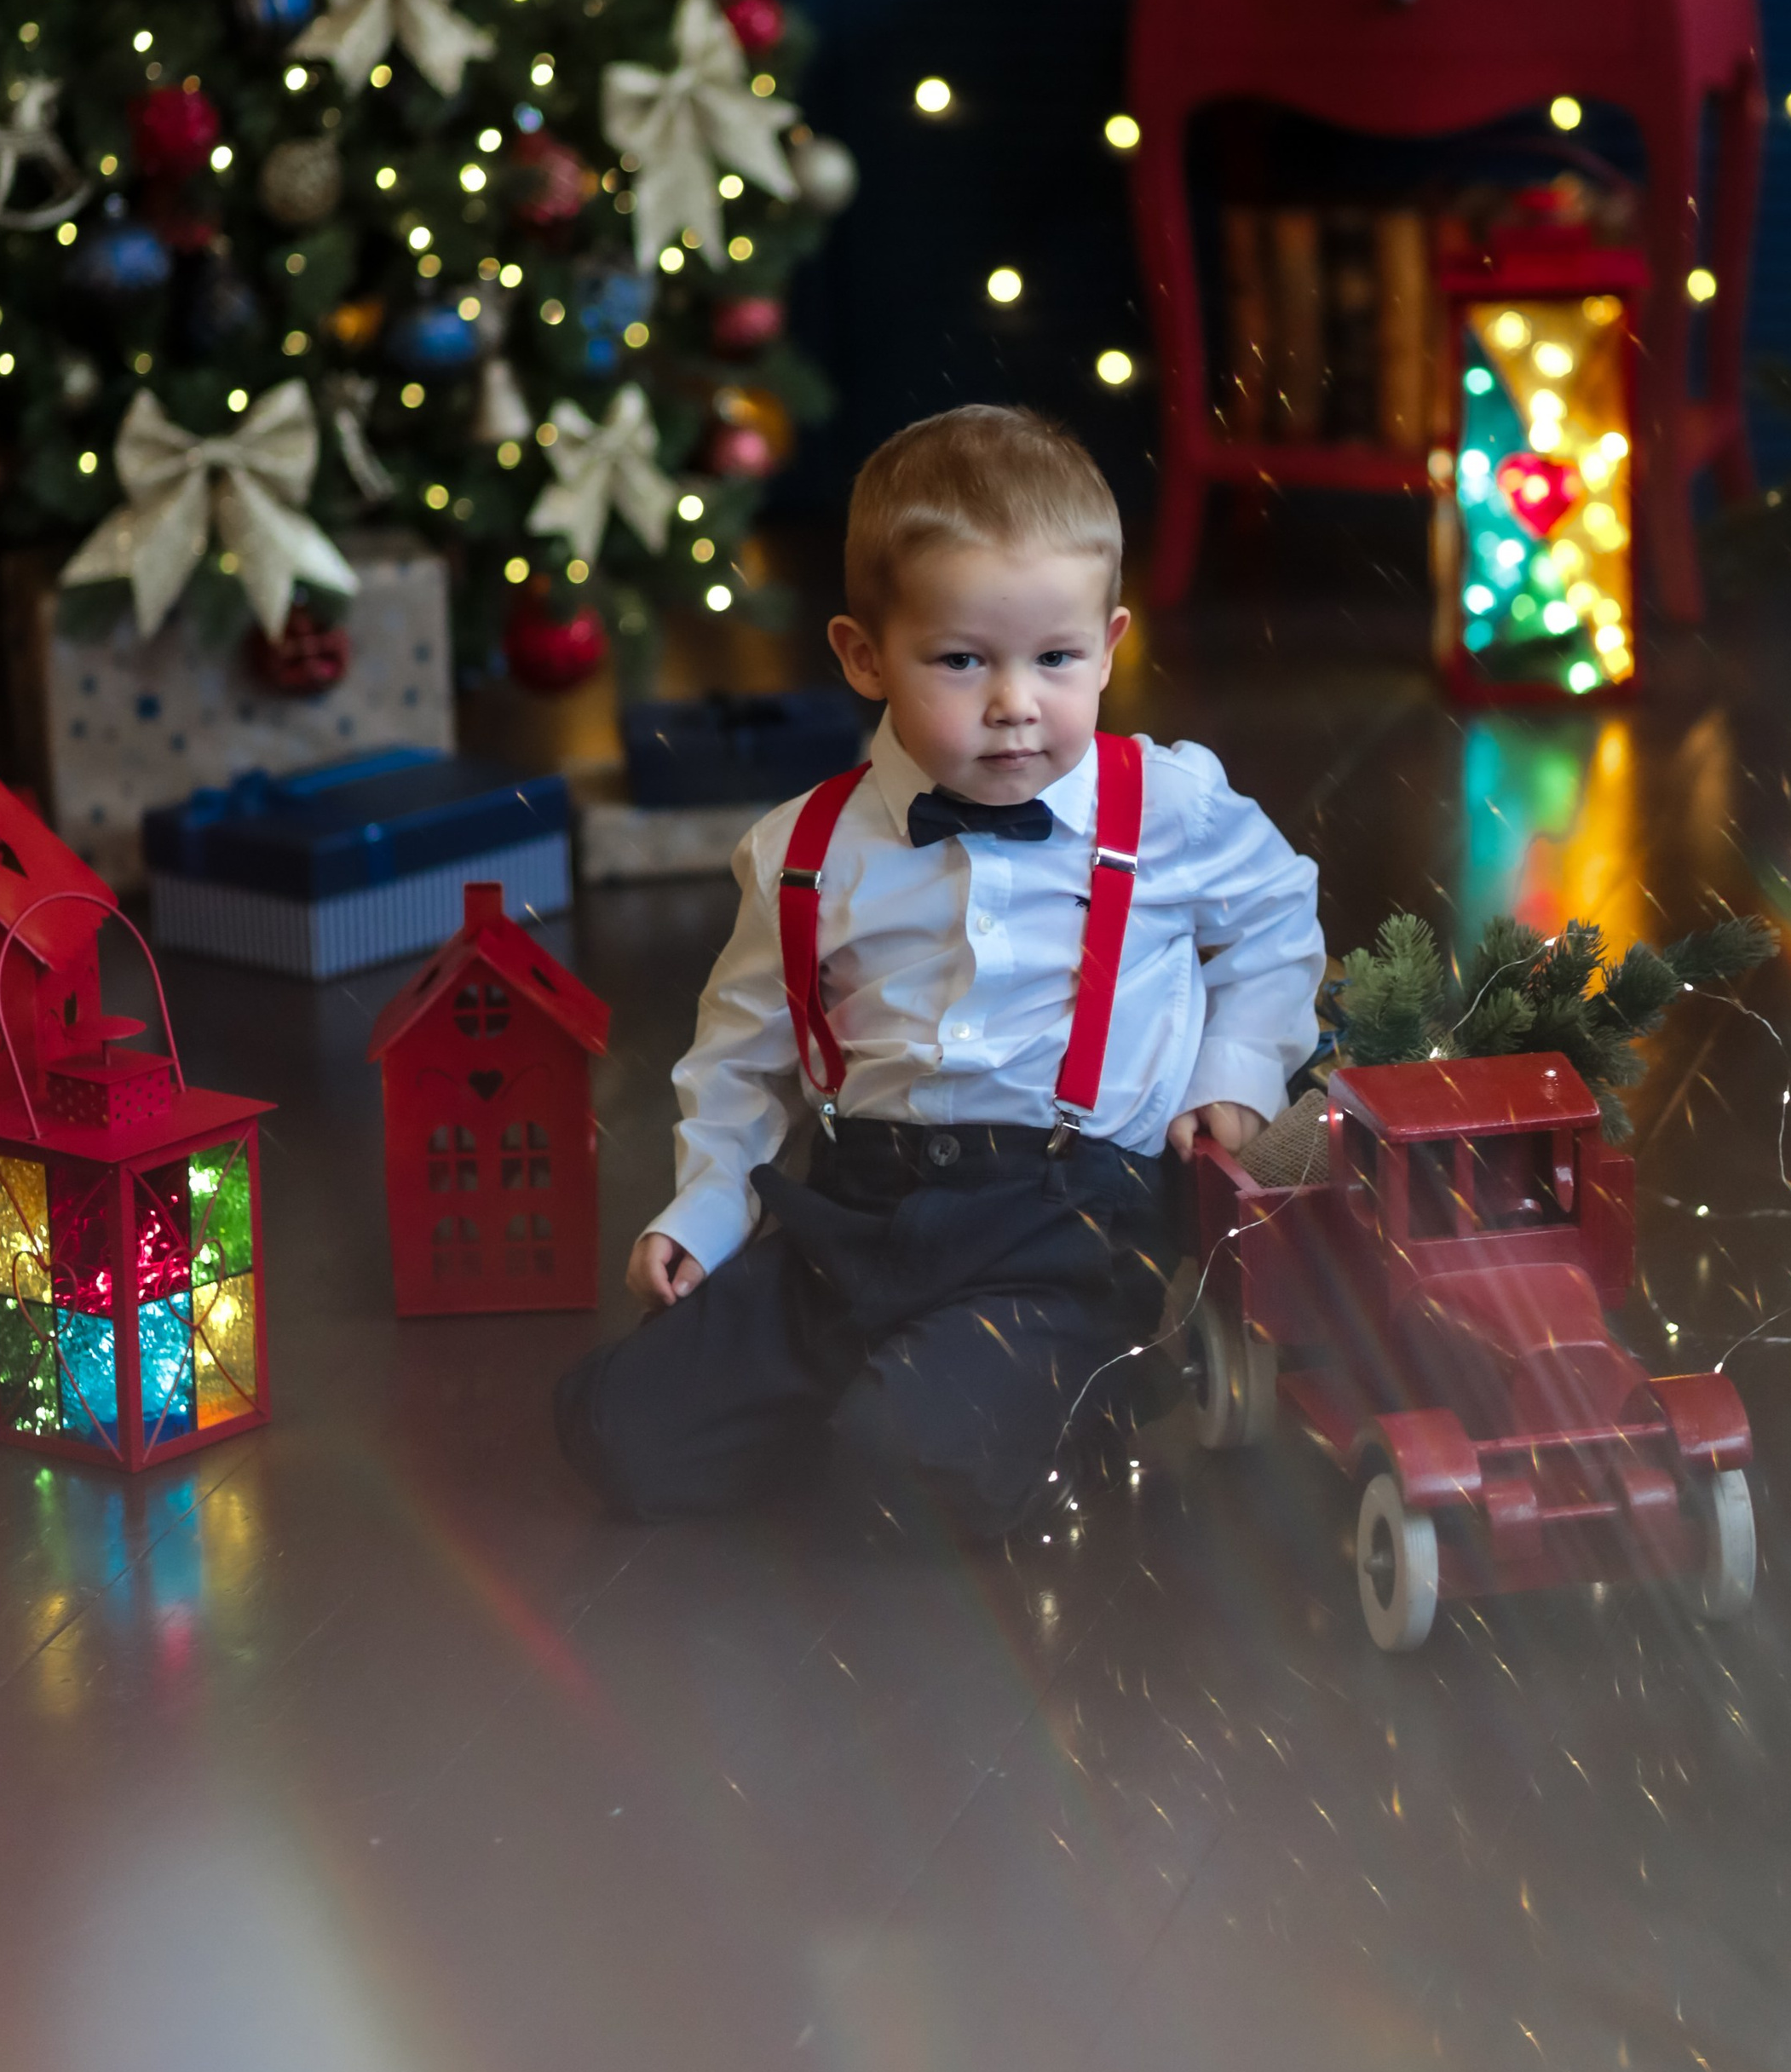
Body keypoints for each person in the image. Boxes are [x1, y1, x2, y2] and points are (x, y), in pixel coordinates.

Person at [554, 404, 1324, 1541]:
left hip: (1067, 1221)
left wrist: (1237, 1071)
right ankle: (886, 1373)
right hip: (858, 1209)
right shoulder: (803, 852)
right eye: (962, 661)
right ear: (865, 656)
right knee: (624, 1436)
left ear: (1110, 646)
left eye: (1056, 660)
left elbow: (1273, 917)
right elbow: (740, 1056)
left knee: (908, 1475)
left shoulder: (1164, 806)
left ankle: (1050, 1386)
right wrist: (707, 1209)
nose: (1015, 703)